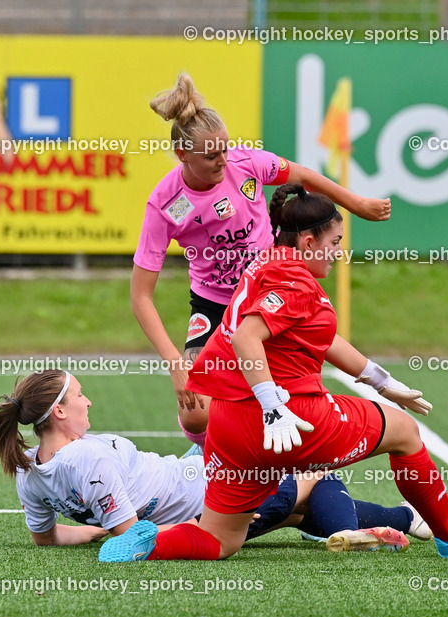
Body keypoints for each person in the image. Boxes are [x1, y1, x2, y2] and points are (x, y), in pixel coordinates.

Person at [99, 185, 448, 563]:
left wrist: (383, 382)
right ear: (308, 241)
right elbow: (246, 338)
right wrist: (272, 405)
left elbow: (321, 337)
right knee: (404, 432)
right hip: (287, 420)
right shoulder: (295, 280)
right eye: (334, 242)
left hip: (229, 425)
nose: (338, 252)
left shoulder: (266, 261)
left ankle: (149, 544)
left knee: (221, 540)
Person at [132, 73, 391, 447]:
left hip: (270, 289)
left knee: (294, 387)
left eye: (226, 149)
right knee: (196, 410)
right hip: (214, 304)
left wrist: (358, 204)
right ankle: (214, 459)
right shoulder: (166, 204)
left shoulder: (246, 163)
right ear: (183, 154)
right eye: (211, 156)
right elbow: (140, 296)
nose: (223, 161)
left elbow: (304, 175)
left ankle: (303, 468)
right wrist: (175, 363)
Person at [0, 370, 433, 552]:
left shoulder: (29, 470)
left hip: (198, 472)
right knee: (315, 475)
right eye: (80, 396)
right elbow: (133, 536)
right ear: (59, 413)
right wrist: (200, 525)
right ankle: (359, 528)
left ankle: (402, 518)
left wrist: (100, 527)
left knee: (296, 509)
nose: (89, 401)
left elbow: (47, 538)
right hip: (217, 498)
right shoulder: (88, 457)